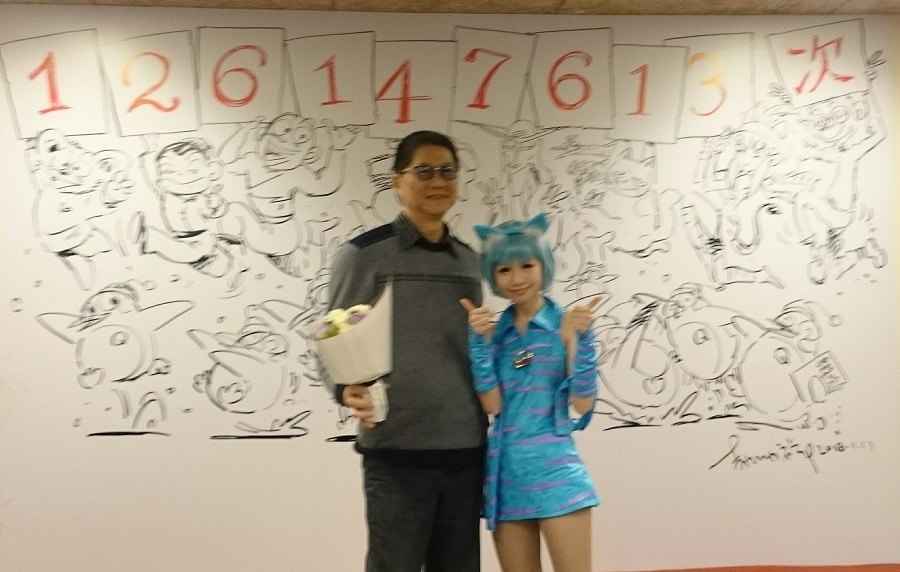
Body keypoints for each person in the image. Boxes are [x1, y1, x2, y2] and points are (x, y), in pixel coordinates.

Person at [321, 130, 488, 572]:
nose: (438, 181)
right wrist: (344, 391)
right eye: (424, 171)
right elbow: (330, 338)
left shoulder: (469, 262)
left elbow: (477, 351)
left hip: (464, 450)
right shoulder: (364, 256)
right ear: (397, 181)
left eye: (448, 171)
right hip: (395, 452)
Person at [460, 212, 601, 572]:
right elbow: (493, 405)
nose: (517, 278)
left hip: (557, 473)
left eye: (527, 265)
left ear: (543, 266)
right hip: (507, 477)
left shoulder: (564, 323)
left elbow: (582, 403)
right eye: (504, 270)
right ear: (493, 275)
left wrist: (581, 342)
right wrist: (479, 346)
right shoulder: (497, 333)